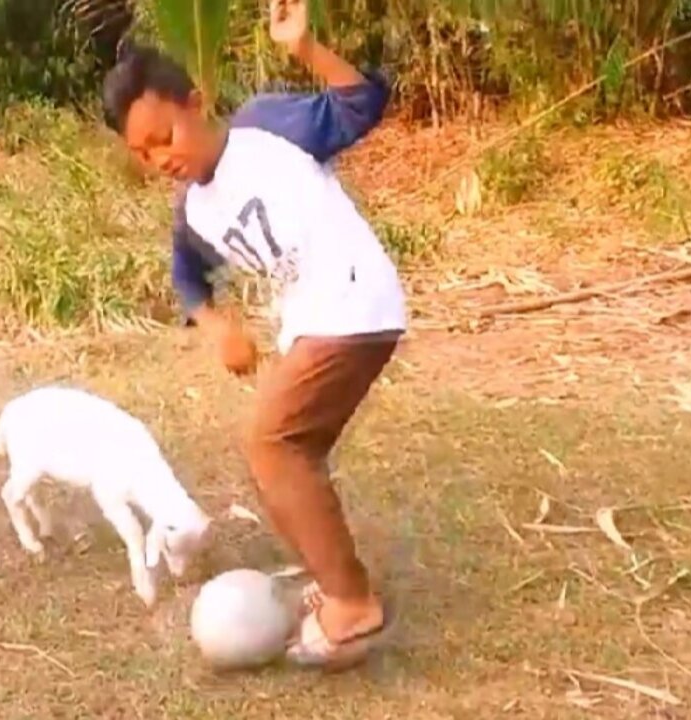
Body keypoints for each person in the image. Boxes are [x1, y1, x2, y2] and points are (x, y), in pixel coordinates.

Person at [101, 0, 405, 671]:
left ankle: (352, 606)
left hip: (354, 303)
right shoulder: (194, 213)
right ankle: (329, 583)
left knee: (272, 443)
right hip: (315, 324)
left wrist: (304, 48)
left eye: (165, 134)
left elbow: (360, 103)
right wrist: (217, 326)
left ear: (196, 101)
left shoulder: (268, 127)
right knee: (289, 459)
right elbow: (186, 277)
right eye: (143, 153)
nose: (160, 158)